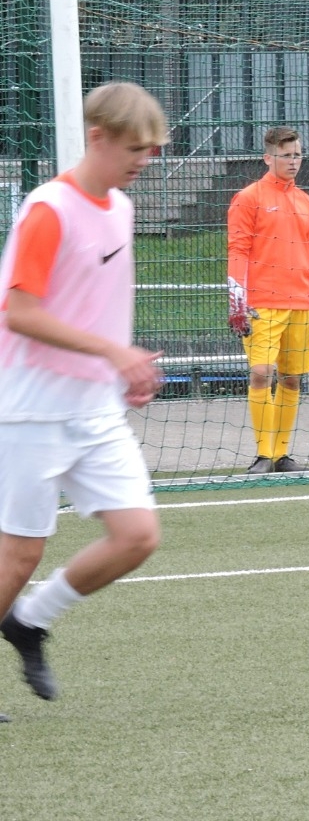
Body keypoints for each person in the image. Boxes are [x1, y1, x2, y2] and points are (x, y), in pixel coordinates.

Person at [0, 82, 169, 716]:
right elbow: (19, 313)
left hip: (95, 408)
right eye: (135, 148)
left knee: (137, 536)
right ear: (96, 137)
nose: (145, 160)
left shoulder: (120, 208)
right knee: (19, 554)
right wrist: (112, 354)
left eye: (152, 150)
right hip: (29, 409)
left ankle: (29, 622)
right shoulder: (49, 209)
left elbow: (96, 307)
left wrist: (122, 368)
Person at [226, 126, 309, 474]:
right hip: (262, 304)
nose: (293, 161)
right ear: (267, 158)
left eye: (297, 154)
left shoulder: (307, 203)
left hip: (299, 302)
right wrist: (237, 300)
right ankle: (264, 454)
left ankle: (282, 455)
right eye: (286, 155)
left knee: (291, 378)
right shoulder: (248, 198)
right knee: (261, 373)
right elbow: (238, 249)